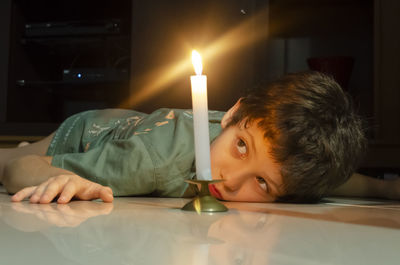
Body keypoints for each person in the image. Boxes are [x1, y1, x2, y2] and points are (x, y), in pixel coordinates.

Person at [0, 71, 397, 204]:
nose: (229, 180)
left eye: (261, 183)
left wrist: (388, 190)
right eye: (241, 147)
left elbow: (333, 180)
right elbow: (18, 173)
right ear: (234, 114)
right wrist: (79, 178)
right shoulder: (153, 165)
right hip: (90, 131)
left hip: (146, 123)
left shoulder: (281, 157)